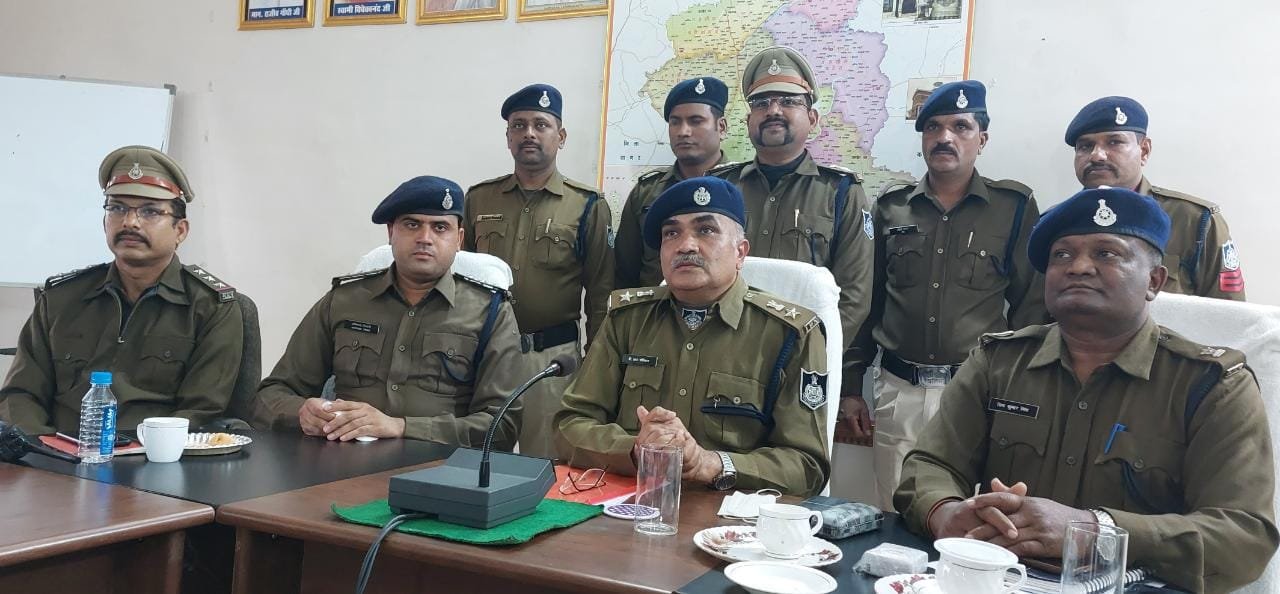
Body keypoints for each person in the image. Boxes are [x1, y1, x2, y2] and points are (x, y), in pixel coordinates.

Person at [895, 187, 1277, 594]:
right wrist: (947, 513)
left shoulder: (1211, 385)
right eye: (1061, 255)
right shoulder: (998, 362)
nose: (1078, 267)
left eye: (1106, 253)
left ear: (1154, 281)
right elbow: (930, 464)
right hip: (1006, 581)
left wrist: (1097, 531)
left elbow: (1244, 535)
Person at [555, 177, 830, 496]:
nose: (685, 245)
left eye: (706, 230)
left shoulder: (790, 334)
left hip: (731, 515)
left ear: (740, 252)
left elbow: (808, 466)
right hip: (635, 504)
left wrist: (711, 464)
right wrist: (635, 450)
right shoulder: (626, 320)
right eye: (671, 233)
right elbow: (569, 425)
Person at [843, 81, 1046, 509]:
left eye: (960, 126)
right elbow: (869, 302)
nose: (945, 137)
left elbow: (1031, 306)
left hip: (976, 394)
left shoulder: (1013, 207)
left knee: (971, 517)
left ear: (982, 139)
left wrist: (1019, 390)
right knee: (894, 512)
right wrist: (851, 386)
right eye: (933, 127)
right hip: (899, 391)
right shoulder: (892, 207)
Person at [255, 176, 525, 449]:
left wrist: (401, 427)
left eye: (440, 227)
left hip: (441, 464)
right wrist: (302, 413)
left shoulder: (490, 312)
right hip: (341, 461)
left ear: (459, 239)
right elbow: (270, 395)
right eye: (412, 224)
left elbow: (502, 425)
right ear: (391, 232)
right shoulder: (344, 301)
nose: (425, 238)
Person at [0, 146, 244, 435]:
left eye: (150, 211)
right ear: (104, 222)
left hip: (153, 458)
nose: (130, 222)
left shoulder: (211, 307)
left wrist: (137, 452)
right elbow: (20, 394)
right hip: (54, 453)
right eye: (117, 208)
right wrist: (37, 447)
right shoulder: (61, 299)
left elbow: (200, 412)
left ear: (180, 230)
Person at [712, 46, 874, 411]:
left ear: (812, 118)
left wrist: (804, 356)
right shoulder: (722, 188)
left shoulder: (842, 193)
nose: (773, 110)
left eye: (788, 101)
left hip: (801, 374)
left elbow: (854, 297)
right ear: (748, 120)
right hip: (721, 365)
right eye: (761, 103)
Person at [464, 83, 614, 458]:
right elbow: (461, 281)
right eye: (518, 125)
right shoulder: (479, 198)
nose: (529, 133)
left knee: (545, 467)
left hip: (551, 361)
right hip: (487, 357)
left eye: (540, 124)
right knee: (477, 459)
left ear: (560, 137)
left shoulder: (587, 205)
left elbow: (601, 294)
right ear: (508, 138)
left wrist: (595, 368)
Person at [1066, 96, 1245, 300]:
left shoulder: (1194, 221)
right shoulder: (1058, 222)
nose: (1097, 155)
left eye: (1114, 142)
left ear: (1144, 151)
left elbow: (1230, 312)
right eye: (1085, 146)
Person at [615, 76, 729, 289]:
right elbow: (624, 272)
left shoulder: (741, 187)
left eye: (696, 121)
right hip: (657, 308)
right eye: (675, 122)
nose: (683, 131)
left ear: (721, 127)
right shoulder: (646, 192)